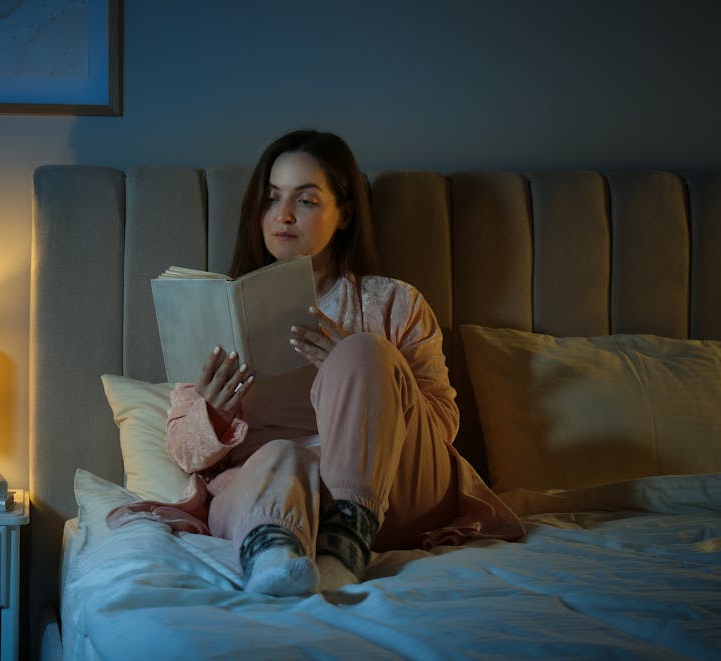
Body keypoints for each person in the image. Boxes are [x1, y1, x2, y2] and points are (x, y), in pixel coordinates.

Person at [115, 129, 523, 596]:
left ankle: (347, 538)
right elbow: (185, 453)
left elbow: (443, 427)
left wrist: (365, 373)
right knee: (279, 456)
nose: (283, 215)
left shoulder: (393, 303)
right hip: (271, 487)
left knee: (364, 350)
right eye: (272, 199)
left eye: (306, 200)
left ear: (344, 214)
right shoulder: (222, 309)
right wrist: (214, 410)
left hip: (392, 494)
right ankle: (273, 553)